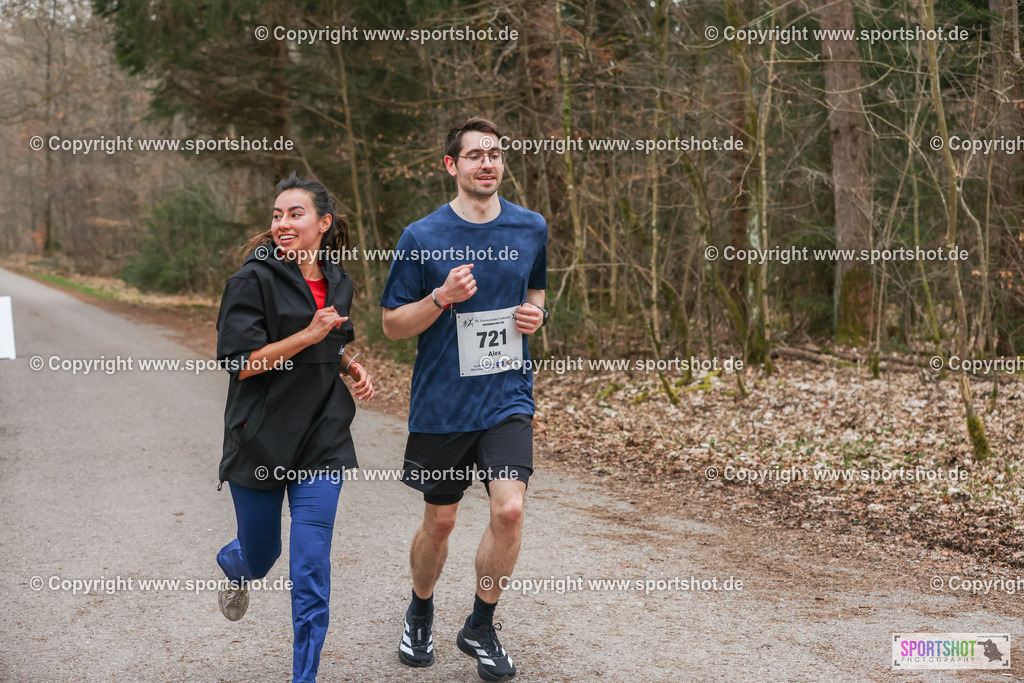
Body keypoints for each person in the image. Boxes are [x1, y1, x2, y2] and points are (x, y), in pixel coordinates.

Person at [380, 117, 547, 682]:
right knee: (441, 521)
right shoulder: (421, 236)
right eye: (475, 155)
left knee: (510, 509)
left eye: (495, 154)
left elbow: (536, 287)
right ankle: (420, 609)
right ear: (451, 165)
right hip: (443, 403)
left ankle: (481, 624)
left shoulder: (530, 226)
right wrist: (441, 297)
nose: (487, 163)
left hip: (507, 396)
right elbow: (392, 325)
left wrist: (537, 312)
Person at [214, 173, 374, 683]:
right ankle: (236, 563)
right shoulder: (251, 281)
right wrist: (307, 335)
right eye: (277, 214)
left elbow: (333, 339)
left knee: (310, 567)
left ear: (323, 223)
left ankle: (304, 676)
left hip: (322, 438)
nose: (283, 222)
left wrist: (348, 364)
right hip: (260, 437)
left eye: (295, 213)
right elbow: (241, 364)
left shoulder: (340, 281)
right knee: (263, 556)